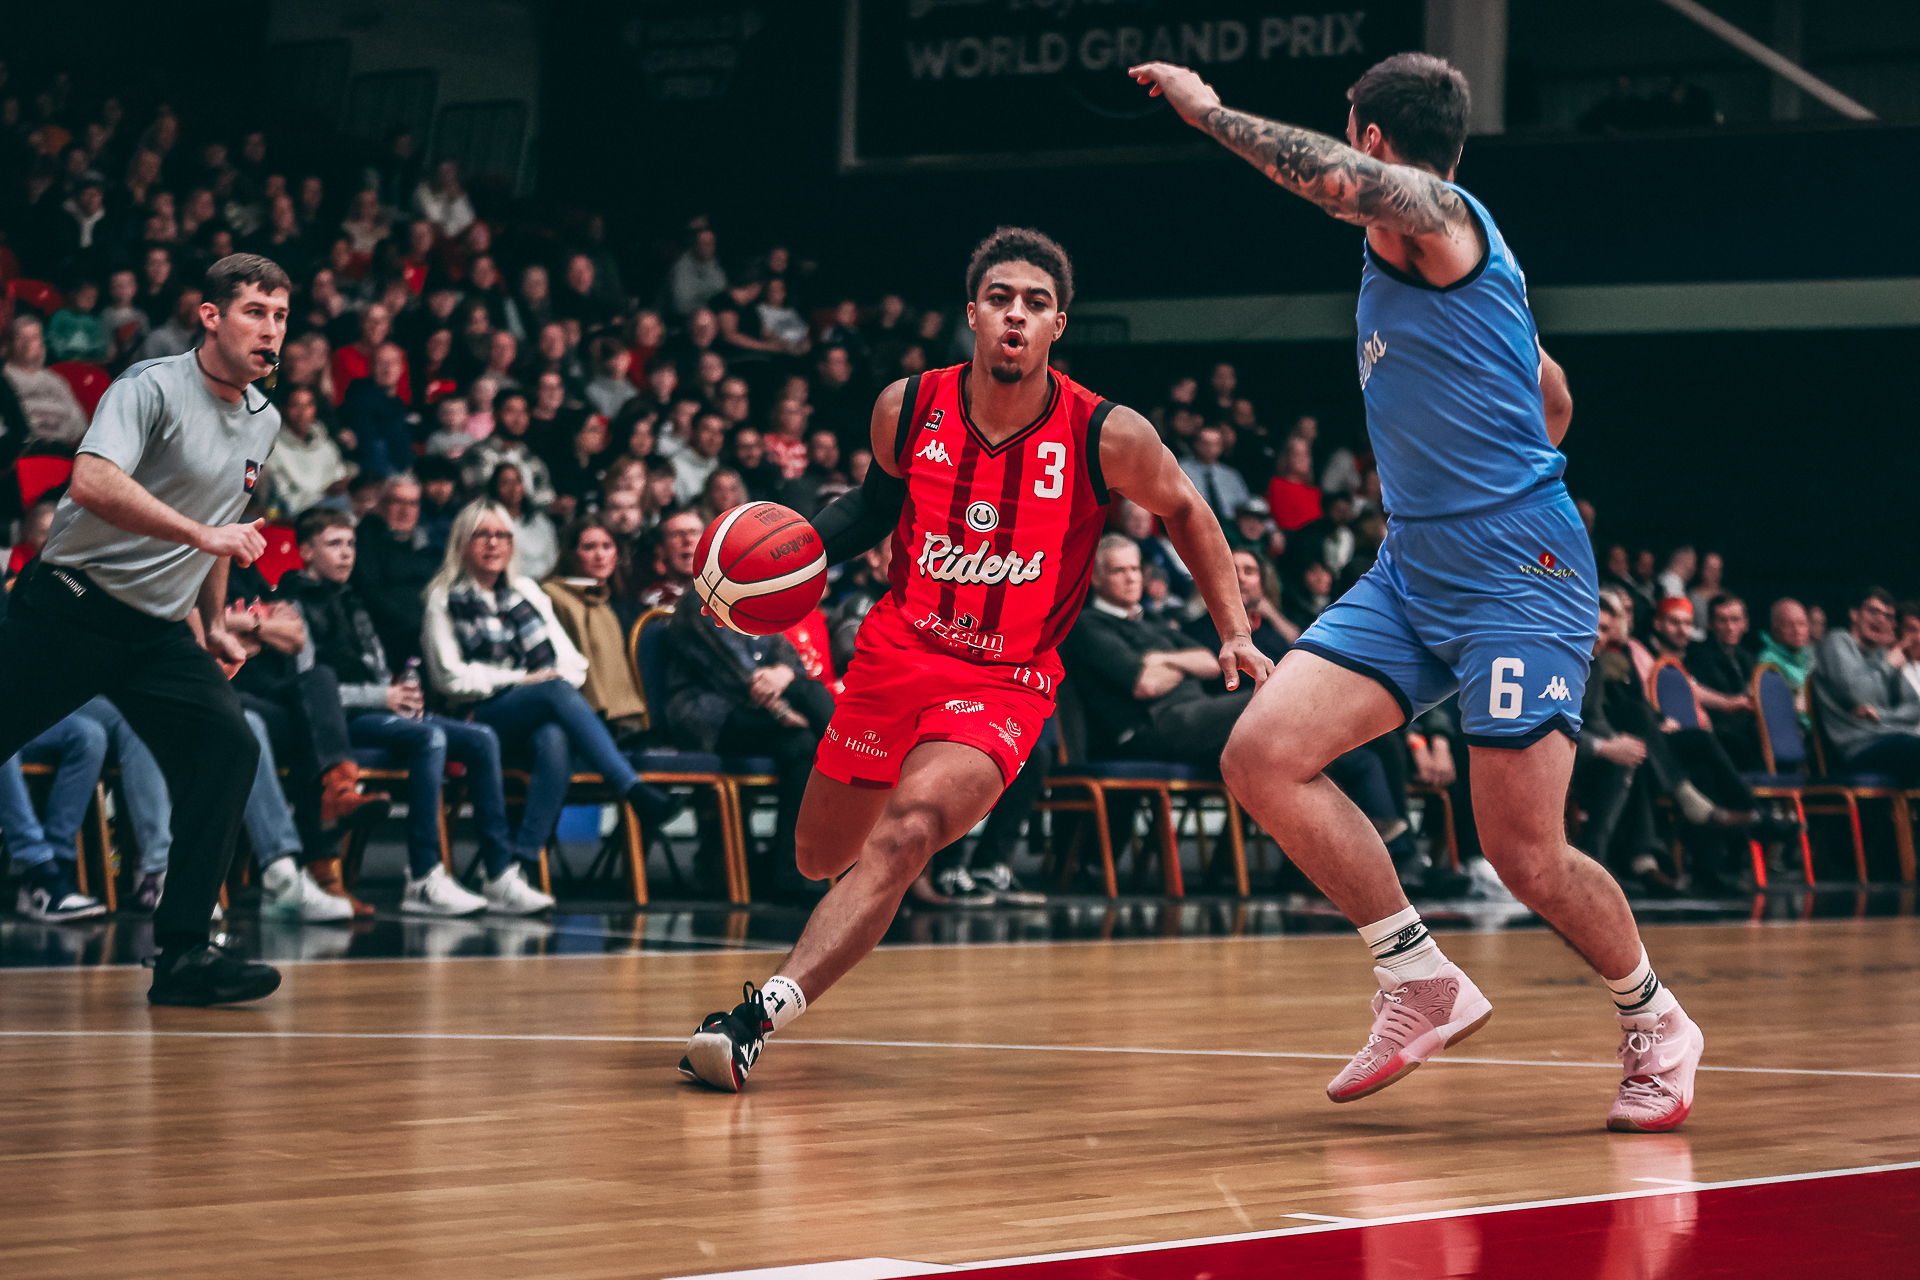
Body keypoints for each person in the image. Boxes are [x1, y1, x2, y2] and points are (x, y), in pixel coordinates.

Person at [1130, 54, 1702, 1131]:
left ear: (1372, 141)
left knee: (1521, 849)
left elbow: (1344, 185)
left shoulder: (1437, 215)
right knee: (1261, 753)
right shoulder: (1454, 267)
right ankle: (1417, 975)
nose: (1341, 158)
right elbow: (1554, 393)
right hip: (1415, 566)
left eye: (1348, 137)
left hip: (1516, 576)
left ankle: (1655, 1018)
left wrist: (1207, 113)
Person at [677, 226, 1269, 1091]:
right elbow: (873, 507)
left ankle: (754, 1019)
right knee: (817, 855)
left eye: (1035, 303)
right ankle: (827, 918)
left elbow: (1186, 511)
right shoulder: (907, 407)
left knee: (908, 830)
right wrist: (742, 579)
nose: (1015, 317)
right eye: (1000, 300)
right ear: (973, 315)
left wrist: (1235, 628)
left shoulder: (1106, 434)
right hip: (893, 654)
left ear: (1058, 324)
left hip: (1007, 678)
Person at [0, 254, 290, 1006]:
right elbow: (91, 483)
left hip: (158, 630)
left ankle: (185, 955)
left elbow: (227, 522)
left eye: (281, 316)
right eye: (256, 311)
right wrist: (203, 537)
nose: (271, 329)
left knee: (229, 748)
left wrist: (214, 621)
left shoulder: (267, 419)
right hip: (73, 604)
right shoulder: (149, 385)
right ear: (212, 316)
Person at [421, 502, 679, 910]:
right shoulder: (443, 596)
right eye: (482, 535)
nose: (493, 544)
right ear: (462, 542)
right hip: (476, 719)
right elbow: (450, 678)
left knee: (555, 736)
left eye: (502, 535)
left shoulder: (526, 592)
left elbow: (572, 664)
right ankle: (632, 788)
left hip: (532, 714)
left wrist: (537, 683)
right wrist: (521, 681)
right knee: (553, 691)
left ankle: (517, 868)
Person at [278, 508, 504, 915]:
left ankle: (500, 873)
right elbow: (310, 689)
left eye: (350, 545)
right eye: (334, 544)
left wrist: (401, 689)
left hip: (377, 707)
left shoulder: (353, 600)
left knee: (481, 739)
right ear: (306, 551)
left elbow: (378, 667)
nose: (346, 554)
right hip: (339, 721)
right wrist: (381, 697)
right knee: (429, 738)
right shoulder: (291, 605)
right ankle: (423, 876)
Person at [541, 515, 650, 735]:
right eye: (589, 547)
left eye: (607, 546)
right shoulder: (552, 596)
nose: (600, 555)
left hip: (626, 719)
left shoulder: (618, 606)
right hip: (578, 715)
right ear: (571, 554)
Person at [1813, 587, 1920, 781]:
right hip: (1858, 747)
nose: (1881, 619)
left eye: (1888, 616)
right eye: (1873, 611)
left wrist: (1881, 715)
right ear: (1854, 614)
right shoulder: (1837, 642)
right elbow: (1859, 695)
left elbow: (1915, 708)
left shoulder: (1881, 655)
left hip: (1890, 740)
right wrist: (1888, 665)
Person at [351, 474, 440, 663]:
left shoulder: (422, 542)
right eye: (398, 502)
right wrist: (424, 623)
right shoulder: (364, 540)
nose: (406, 511)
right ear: (381, 504)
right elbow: (370, 594)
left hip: (427, 625)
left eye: (413, 503)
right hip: (392, 632)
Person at [1686, 594, 1760, 769]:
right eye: (1722, 620)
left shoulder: (1750, 659)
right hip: (1719, 732)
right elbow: (1691, 691)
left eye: (1735, 619)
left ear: (1745, 623)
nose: (1729, 626)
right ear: (1710, 624)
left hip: (1748, 730)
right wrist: (1732, 703)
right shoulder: (1697, 655)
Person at [263, 386, 348, 517]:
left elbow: (340, 479)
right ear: (283, 409)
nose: (302, 412)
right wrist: (324, 494)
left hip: (334, 510)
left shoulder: (327, 446)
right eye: (295, 405)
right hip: (298, 516)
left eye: (308, 405)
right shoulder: (274, 450)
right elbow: (283, 501)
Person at [1178, 423, 1249, 523]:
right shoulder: (1181, 469)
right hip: (1193, 523)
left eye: (1215, 444)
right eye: (1205, 443)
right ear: (1195, 444)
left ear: (1221, 447)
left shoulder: (1231, 475)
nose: (1210, 448)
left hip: (1229, 527)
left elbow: (1246, 506)